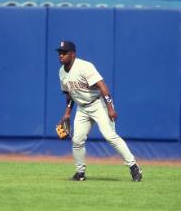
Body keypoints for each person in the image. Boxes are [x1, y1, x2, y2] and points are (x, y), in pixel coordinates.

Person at [56, 41, 143, 182]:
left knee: (110, 136)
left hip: (98, 104)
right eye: (59, 52)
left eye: (64, 52)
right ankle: (80, 173)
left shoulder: (84, 66)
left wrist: (110, 108)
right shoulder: (61, 72)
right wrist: (67, 114)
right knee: (77, 140)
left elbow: (102, 86)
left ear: (72, 54)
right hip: (82, 108)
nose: (61, 55)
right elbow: (70, 94)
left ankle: (134, 166)